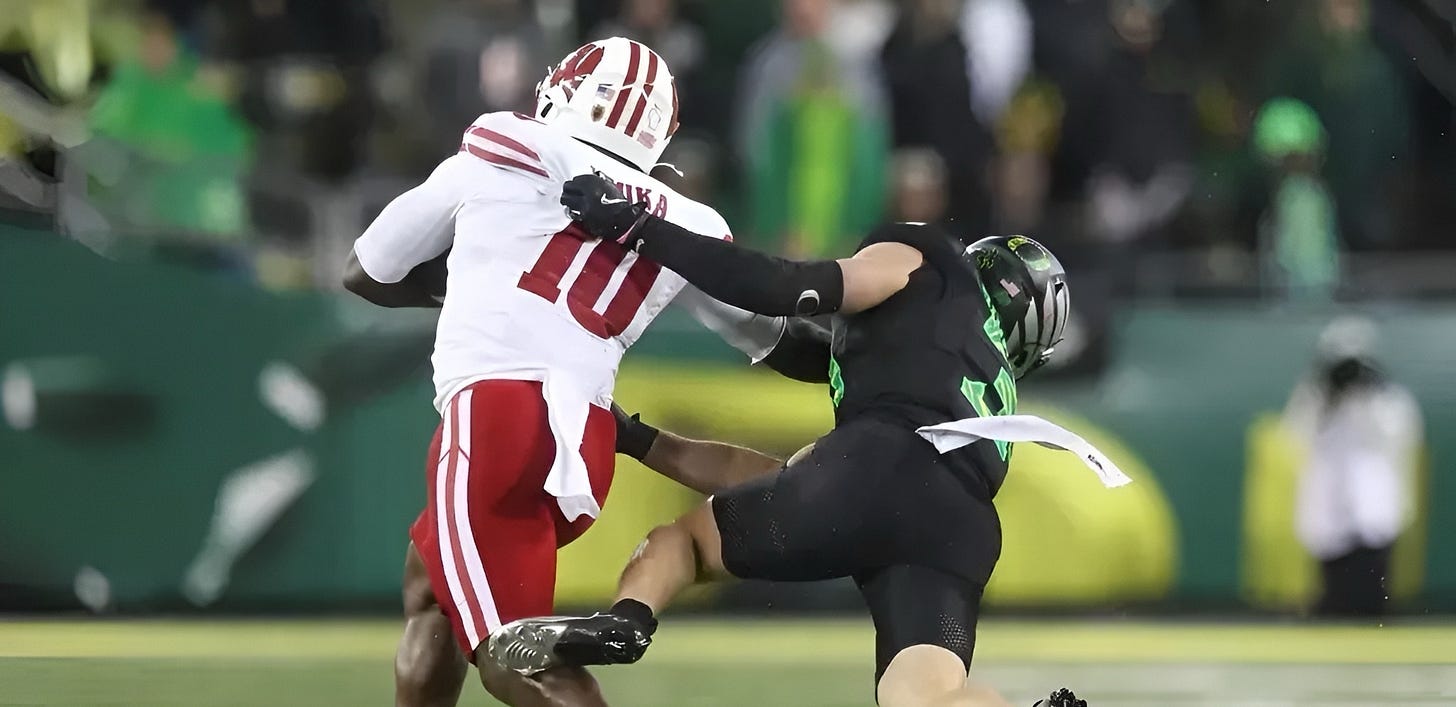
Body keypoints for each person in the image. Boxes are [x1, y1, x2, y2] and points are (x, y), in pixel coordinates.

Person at [490, 181, 1126, 706]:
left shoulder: (930, 261)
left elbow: (791, 286)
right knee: (923, 697)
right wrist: (639, 438)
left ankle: (625, 623)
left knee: (681, 542)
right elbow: (783, 476)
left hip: (879, 466)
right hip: (962, 526)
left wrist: (642, 230)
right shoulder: (974, 381)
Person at [343, 38, 805, 707]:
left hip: (496, 419)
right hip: (587, 439)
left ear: (568, 90)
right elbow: (782, 344)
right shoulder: (686, 222)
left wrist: (472, 281)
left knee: (515, 655)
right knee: (431, 589)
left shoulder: (502, 151)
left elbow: (368, 270)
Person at [1283, 317, 1423, 617]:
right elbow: (1295, 435)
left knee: (1373, 581)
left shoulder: (1386, 399)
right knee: (1333, 586)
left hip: (1372, 504)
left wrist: (1371, 393)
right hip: (1329, 503)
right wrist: (1328, 395)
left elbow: (1402, 434)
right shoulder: (1313, 398)